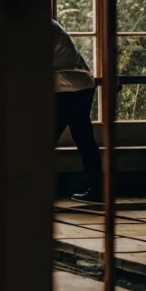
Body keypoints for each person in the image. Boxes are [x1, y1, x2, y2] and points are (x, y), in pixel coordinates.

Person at [52, 19, 102, 202]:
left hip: (62, 86)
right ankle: (97, 187)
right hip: (82, 84)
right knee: (84, 139)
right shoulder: (52, 25)